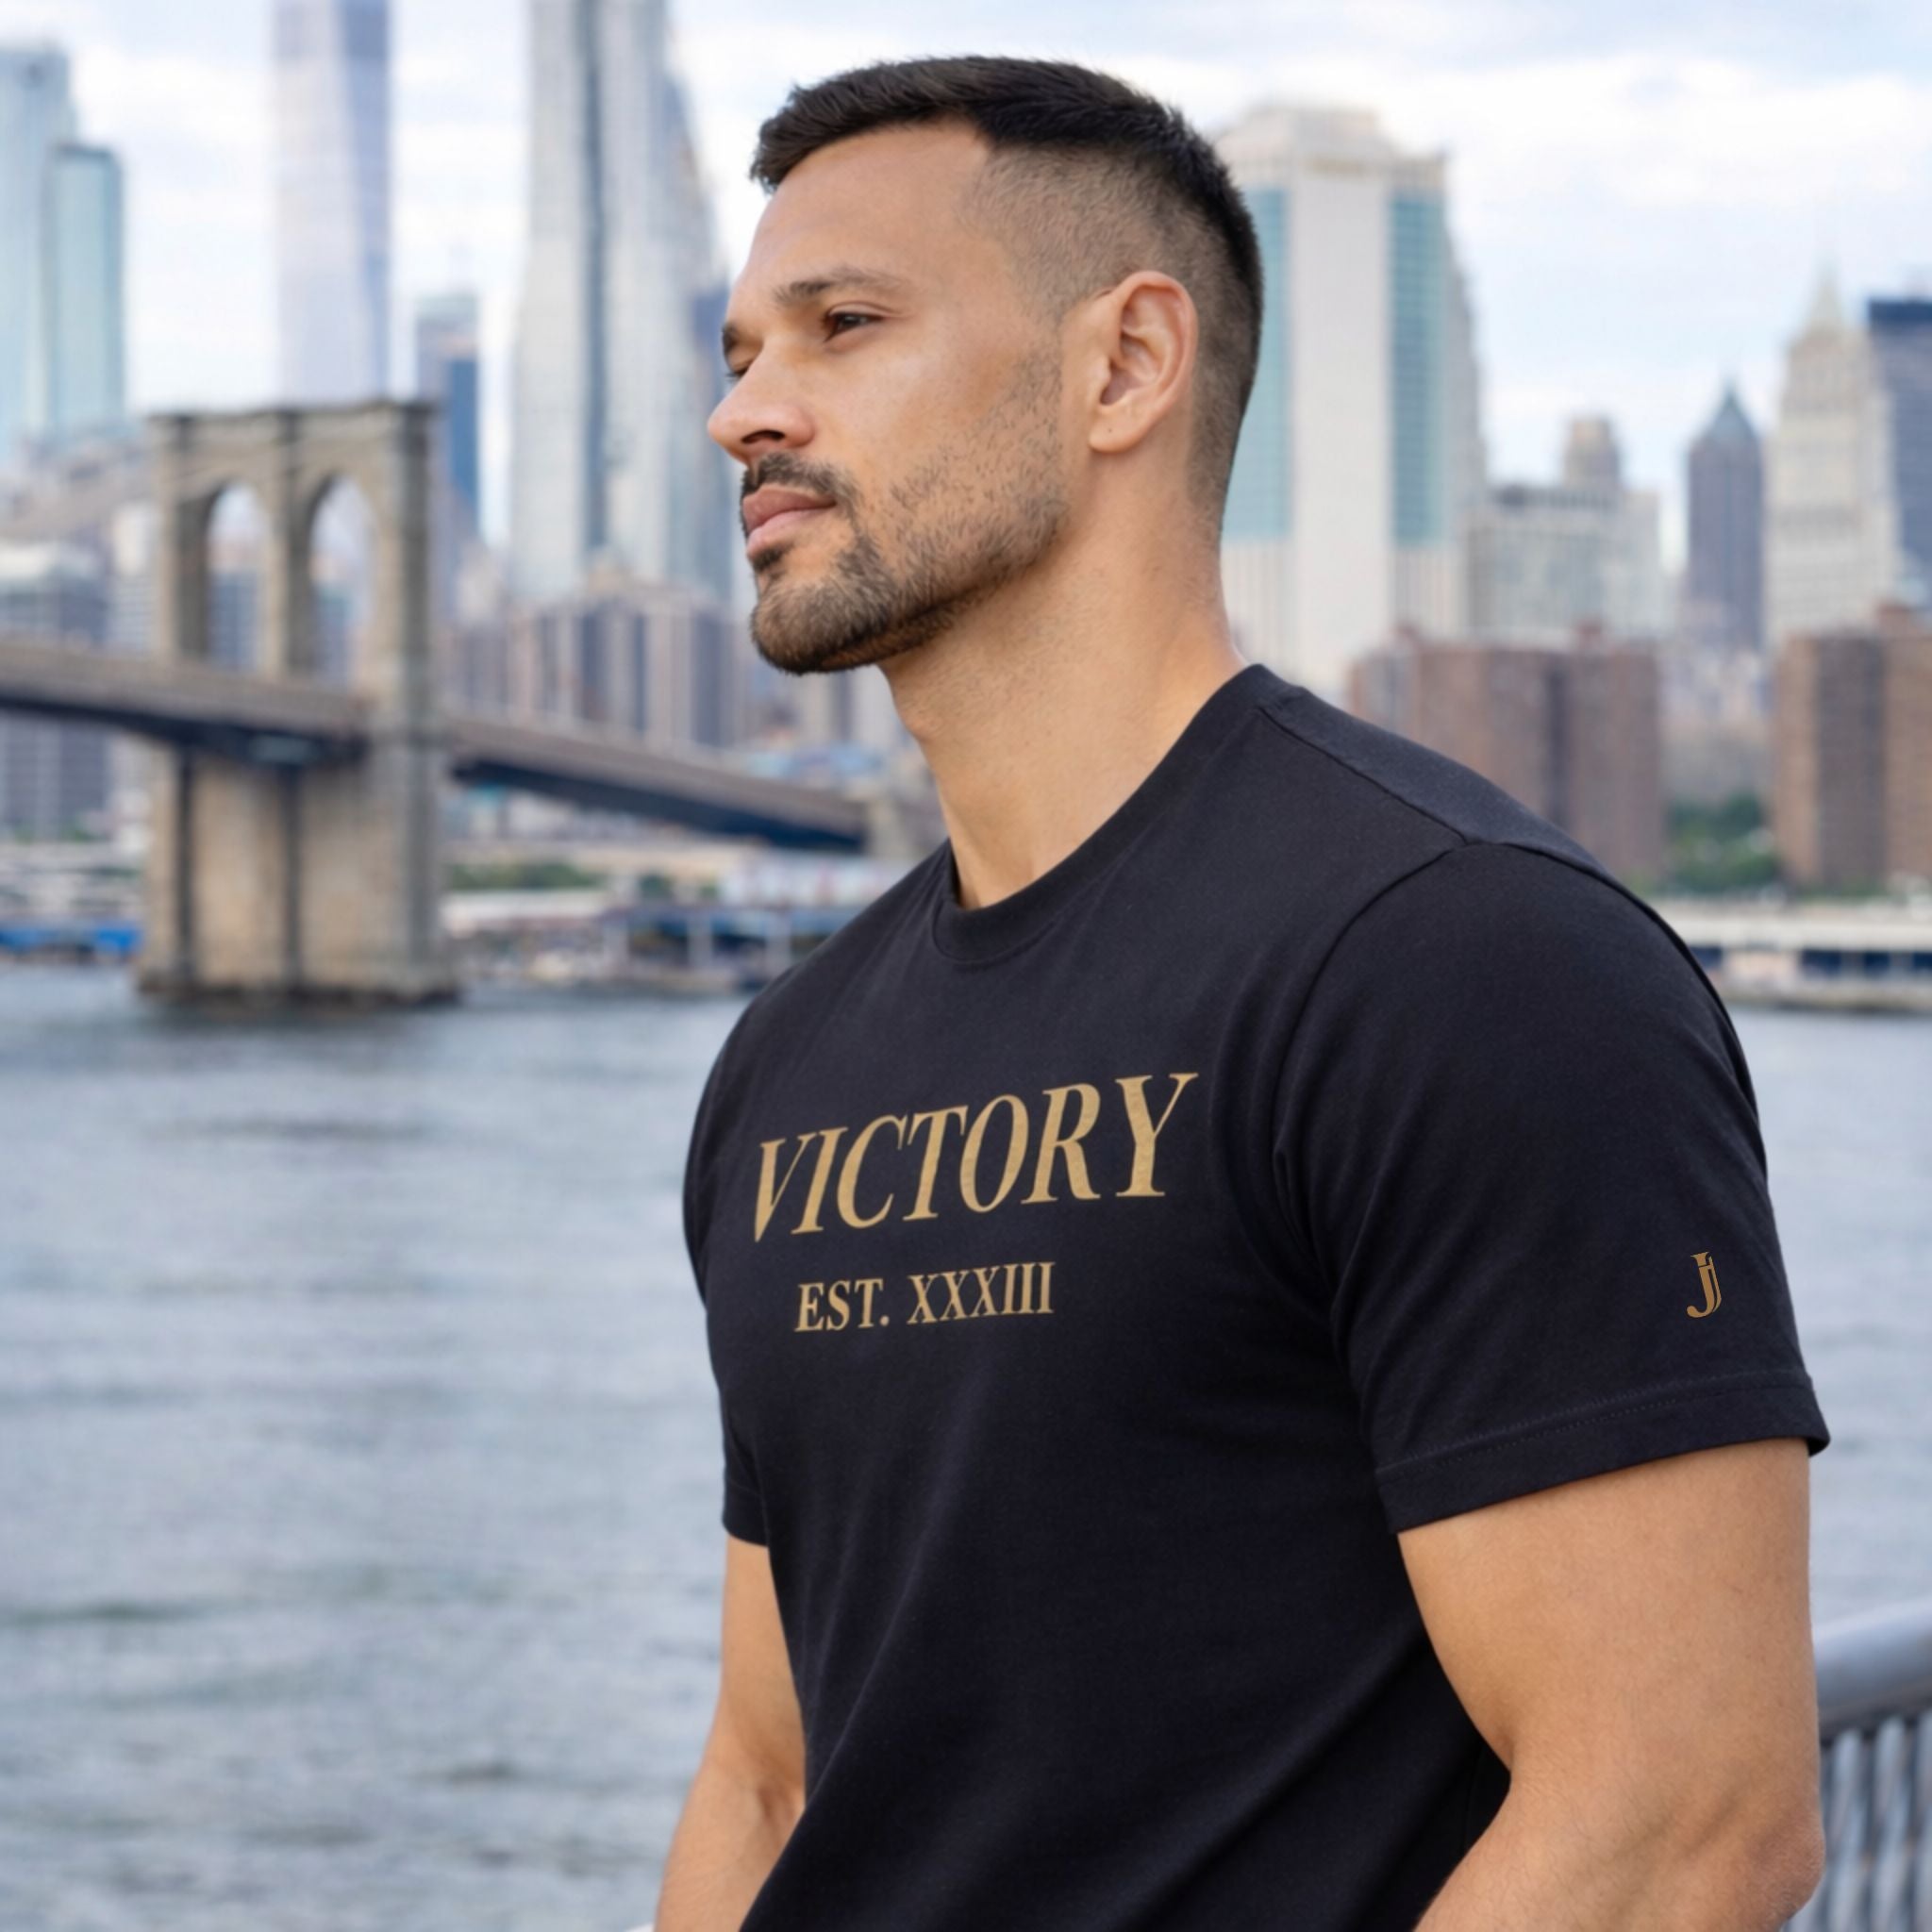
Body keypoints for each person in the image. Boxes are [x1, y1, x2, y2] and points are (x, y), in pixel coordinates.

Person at [656, 55, 1829, 1932]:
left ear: (1123, 366)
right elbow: (772, 1765)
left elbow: (1677, 1822)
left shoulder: (1470, 965)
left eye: (840, 326)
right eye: (736, 351)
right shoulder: (785, 1066)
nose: (742, 412)